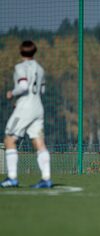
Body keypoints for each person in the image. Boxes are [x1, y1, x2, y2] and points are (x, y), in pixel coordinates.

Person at [0, 40, 52, 188]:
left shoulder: (19, 67)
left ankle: (12, 178)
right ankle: (46, 179)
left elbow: (23, 86)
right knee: (39, 142)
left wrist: (12, 93)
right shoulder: (40, 69)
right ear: (34, 52)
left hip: (25, 108)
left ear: (21, 52)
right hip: (37, 107)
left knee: (9, 140)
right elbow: (42, 90)